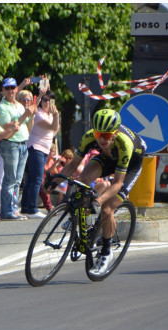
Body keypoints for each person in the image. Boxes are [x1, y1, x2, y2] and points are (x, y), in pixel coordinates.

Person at [50, 109, 147, 275]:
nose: (101, 139)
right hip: (108, 157)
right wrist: (53, 181)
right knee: (84, 177)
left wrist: (98, 201)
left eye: (107, 135)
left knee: (107, 209)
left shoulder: (125, 144)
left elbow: (117, 183)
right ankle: (82, 217)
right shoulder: (89, 137)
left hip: (130, 164)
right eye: (98, 134)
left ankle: (106, 253)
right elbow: (73, 166)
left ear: (115, 133)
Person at [0, 77, 37, 220]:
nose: (11, 91)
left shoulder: (18, 106)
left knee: (18, 180)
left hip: (22, 143)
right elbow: (10, 126)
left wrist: (31, 115)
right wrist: (26, 114)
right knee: (10, 178)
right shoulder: (2, 107)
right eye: (7, 88)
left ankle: (13, 209)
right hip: (10, 143)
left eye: (13, 88)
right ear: (3, 90)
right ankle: (7, 211)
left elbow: (27, 125)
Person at [20, 91, 59, 219]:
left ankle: (25, 207)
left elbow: (53, 132)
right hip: (36, 147)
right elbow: (53, 127)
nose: (47, 103)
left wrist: (55, 115)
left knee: (31, 178)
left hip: (44, 149)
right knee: (37, 179)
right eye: (45, 100)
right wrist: (57, 115)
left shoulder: (50, 115)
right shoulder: (40, 114)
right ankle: (32, 208)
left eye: (50, 100)